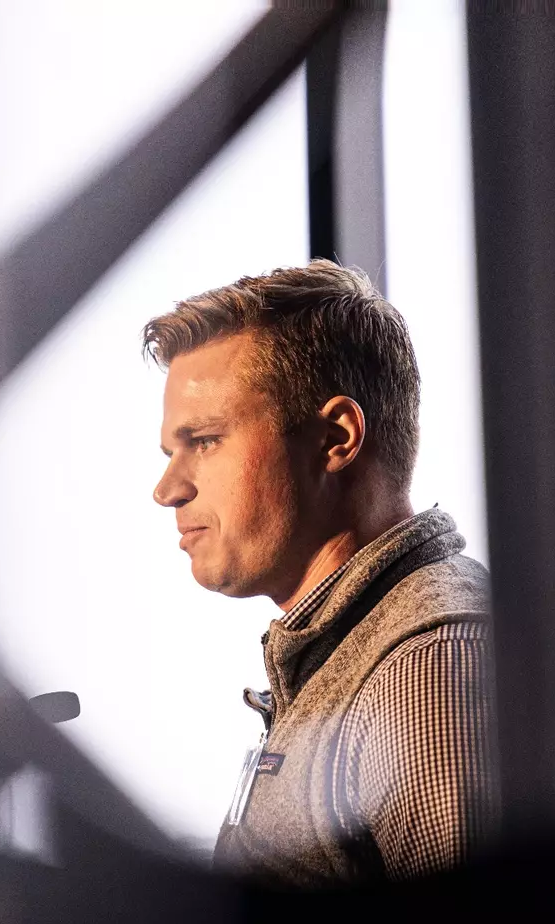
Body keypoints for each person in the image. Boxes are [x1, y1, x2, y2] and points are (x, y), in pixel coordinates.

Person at [145, 260, 498, 886]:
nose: (167, 489)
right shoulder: (351, 657)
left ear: (336, 437)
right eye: (172, 452)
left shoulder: (427, 663)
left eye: (203, 441)